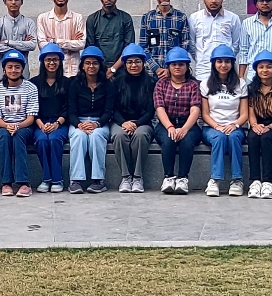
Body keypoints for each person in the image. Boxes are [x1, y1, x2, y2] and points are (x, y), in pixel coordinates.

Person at [200, 43, 247, 196]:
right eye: (219, 61)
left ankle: (237, 180)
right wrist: (217, 126)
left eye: (227, 61)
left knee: (233, 137)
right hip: (211, 128)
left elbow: (244, 114)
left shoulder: (241, 84)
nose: (223, 65)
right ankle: (215, 180)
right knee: (219, 137)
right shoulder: (206, 84)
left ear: (232, 63)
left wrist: (235, 125)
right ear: (214, 63)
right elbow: (205, 114)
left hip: (235, 127)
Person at [109, 43, 156, 193]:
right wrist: (124, 122)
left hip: (143, 122)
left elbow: (151, 110)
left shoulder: (151, 82)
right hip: (120, 122)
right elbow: (113, 108)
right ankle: (126, 177)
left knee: (141, 136)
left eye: (137, 61)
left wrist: (137, 123)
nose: (133, 65)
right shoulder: (117, 82)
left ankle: (137, 177)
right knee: (119, 136)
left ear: (143, 63)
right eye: (129, 62)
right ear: (125, 64)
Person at [154, 47, 201, 195]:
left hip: (188, 124)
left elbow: (195, 109)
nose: (177, 67)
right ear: (168, 66)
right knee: (168, 140)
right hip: (165, 124)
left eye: (181, 64)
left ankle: (183, 178)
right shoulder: (161, 84)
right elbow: (160, 108)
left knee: (187, 141)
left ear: (187, 66)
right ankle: (168, 177)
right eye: (173, 64)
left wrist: (185, 128)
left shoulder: (193, 85)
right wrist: (170, 127)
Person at [0, 49, 38, 197]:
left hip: (24, 126)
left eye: (17, 67)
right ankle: (6, 182)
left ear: (22, 69)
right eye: (10, 67)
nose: (13, 70)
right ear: (4, 69)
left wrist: (18, 126)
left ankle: (24, 183)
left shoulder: (30, 88)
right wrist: (7, 126)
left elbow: (31, 117)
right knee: (4, 137)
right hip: (4, 125)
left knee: (18, 136)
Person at [68, 47, 114, 193]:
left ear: (100, 65)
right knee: (78, 137)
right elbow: (71, 111)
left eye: (95, 63)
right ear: (82, 65)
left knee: (96, 136)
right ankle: (75, 180)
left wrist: (97, 124)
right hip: (79, 122)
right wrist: (79, 124)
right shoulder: (75, 84)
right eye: (87, 63)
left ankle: (98, 180)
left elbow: (109, 111)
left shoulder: (108, 85)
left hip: (100, 122)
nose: (91, 66)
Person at [244, 50, 272, 200]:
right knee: (252, 138)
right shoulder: (251, 89)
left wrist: (268, 128)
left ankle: (268, 182)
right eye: (261, 67)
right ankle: (255, 181)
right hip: (258, 124)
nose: (265, 70)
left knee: (266, 138)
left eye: (269, 66)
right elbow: (250, 113)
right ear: (256, 69)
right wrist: (255, 125)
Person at [188, 0, 244, 82]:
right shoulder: (194, 18)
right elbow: (191, 44)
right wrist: (201, 58)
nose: (213, 1)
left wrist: (226, 60)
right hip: (203, 71)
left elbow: (236, 44)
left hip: (226, 72)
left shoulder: (233, 18)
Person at [33, 43, 71, 193]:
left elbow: (69, 108)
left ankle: (57, 179)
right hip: (40, 123)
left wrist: (57, 123)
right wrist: (41, 124)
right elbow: (32, 108)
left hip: (60, 123)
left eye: (55, 59)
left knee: (54, 139)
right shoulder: (34, 83)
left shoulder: (67, 82)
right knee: (42, 140)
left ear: (60, 61)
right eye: (48, 59)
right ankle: (46, 178)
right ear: (43, 62)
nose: (52, 63)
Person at [140, 0, 192, 79]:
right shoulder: (147, 18)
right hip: (152, 74)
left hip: (175, 74)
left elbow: (185, 45)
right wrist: (156, 68)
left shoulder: (181, 17)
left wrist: (170, 69)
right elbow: (143, 47)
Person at [86, 0, 136, 77]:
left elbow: (129, 48)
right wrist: (103, 69)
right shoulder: (92, 19)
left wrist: (114, 69)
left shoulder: (125, 18)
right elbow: (91, 48)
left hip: (122, 70)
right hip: (99, 70)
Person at [38, 0, 86, 76]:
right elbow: (42, 45)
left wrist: (54, 41)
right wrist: (70, 42)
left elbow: (81, 44)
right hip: (51, 72)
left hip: (73, 71)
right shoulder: (42, 18)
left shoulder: (78, 18)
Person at [0, 0, 38, 77]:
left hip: (23, 73)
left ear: (22, 1)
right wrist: (22, 45)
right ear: (5, 2)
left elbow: (32, 45)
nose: (13, 2)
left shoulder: (29, 23)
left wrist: (7, 42)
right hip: (1, 73)